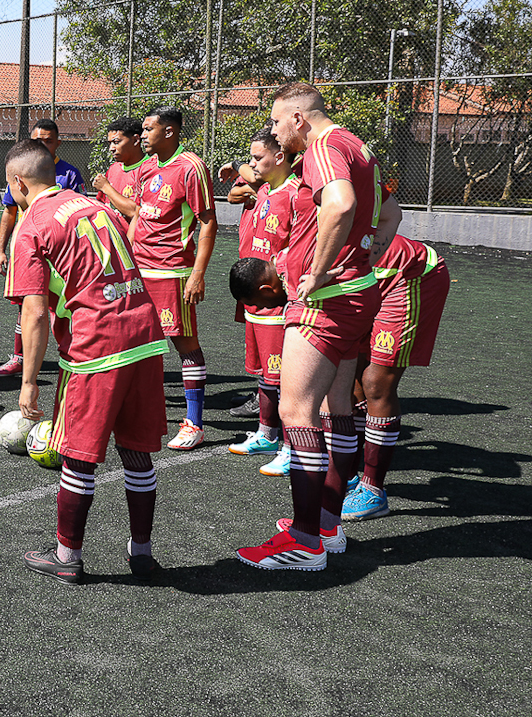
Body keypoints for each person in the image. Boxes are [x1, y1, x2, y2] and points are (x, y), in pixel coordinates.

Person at [234, 81, 400, 572]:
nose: (274, 131)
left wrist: (323, 268)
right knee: (336, 410)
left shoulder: (325, 145)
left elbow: (342, 204)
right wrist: (363, 257)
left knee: (297, 411)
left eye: (277, 122)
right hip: (353, 292)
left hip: (326, 300)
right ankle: (327, 524)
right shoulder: (355, 144)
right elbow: (388, 210)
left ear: (299, 120)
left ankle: (304, 541)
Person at [3, 139, 169, 583]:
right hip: (145, 333)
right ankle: (142, 554)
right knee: (136, 452)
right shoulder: (96, 205)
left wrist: (29, 382)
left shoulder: (32, 224)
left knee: (78, 457)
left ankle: (67, 556)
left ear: (18, 182)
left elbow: (34, 311)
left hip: (98, 344)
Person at [343, 233, 451, 520]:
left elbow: (391, 211)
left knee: (375, 383)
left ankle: (373, 491)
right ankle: (351, 478)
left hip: (410, 275)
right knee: (353, 374)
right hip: (368, 282)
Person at [129, 107, 217, 450]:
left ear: (169, 132)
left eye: (148, 129)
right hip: (140, 269)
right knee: (137, 343)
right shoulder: (147, 167)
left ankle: (194, 423)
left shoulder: (191, 167)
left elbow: (207, 221)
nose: (142, 135)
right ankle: (142, 411)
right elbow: (140, 215)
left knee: (184, 344)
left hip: (172, 271)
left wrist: (198, 274)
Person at [219, 128, 297, 472]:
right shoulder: (265, 188)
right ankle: (266, 433)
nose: (251, 165)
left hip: (276, 296)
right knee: (266, 374)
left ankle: (293, 446)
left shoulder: (297, 194)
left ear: (280, 157)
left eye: (257, 157)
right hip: (255, 296)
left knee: (286, 378)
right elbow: (244, 184)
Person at [0, 119, 85, 378]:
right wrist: (2, 250)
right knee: (27, 304)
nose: (43, 144)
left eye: (48, 140)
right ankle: (19, 358)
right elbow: (9, 213)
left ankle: (72, 354)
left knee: (63, 304)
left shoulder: (70, 174)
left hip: (62, 252)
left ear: (58, 143)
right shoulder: (21, 170)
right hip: (29, 245)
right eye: (38, 140)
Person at [92, 116, 146, 223]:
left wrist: (105, 187)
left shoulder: (150, 169)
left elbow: (136, 212)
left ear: (135, 140)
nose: (111, 148)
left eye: (116, 142)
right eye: (110, 143)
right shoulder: (113, 169)